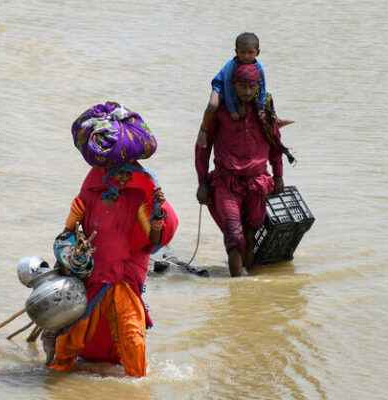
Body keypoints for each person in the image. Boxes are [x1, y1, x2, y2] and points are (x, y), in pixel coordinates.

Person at [46, 162, 178, 377]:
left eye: (127, 175)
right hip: (93, 279)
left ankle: (138, 388)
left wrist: (157, 216)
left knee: (132, 337)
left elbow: (152, 242)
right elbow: (67, 242)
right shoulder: (90, 192)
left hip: (123, 280)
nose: (123, 179)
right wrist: (71, 221)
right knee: (69, 340)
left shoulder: (139, 197)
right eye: (119, 175)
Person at [195, 63, 289, 277]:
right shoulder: (220, 111)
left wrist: (279, 176)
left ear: (258, 86)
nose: (247, 92)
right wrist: (201, 182)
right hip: (226, 181)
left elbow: (275, 145)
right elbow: (202, 146)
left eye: (251, 87)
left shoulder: (264, 111)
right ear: (233, 85)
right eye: (242, 86)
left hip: (257, 182)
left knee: (251, 230)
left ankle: (247, 280)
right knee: (234, 234)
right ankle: (238, 286)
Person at [200, 32, 294, 132]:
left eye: (250, 52)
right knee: (213, 104)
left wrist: (261, 107)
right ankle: (204, 128)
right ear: (236, 52)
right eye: (242, 52)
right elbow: (228, 87)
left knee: (267, 98)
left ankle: (275, 121)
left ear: (257, 52)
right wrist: (232, 110)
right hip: (222, 86)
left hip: (245, 87)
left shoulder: (259, 67)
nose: (246, 56)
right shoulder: (231, 67)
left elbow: (262, 85)